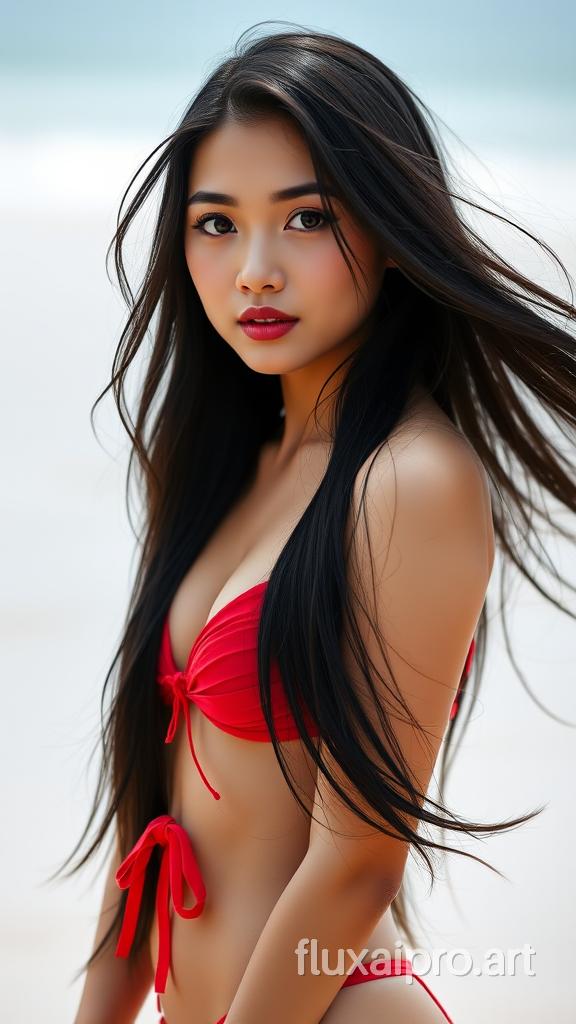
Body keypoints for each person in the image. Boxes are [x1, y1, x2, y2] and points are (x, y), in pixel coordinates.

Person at [60, 22, 575, 1024]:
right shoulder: (217, 466)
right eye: (216, 224)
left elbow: (357, 869)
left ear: (388, 229)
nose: (253, 268)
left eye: (305, 219)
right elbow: (146, 833)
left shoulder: (415, 481)